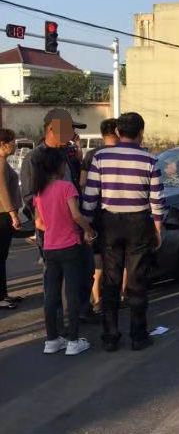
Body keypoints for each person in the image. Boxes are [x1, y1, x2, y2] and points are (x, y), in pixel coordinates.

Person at [81, 112, 164, 352]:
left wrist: (87, 226)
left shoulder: (101, 157)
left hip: (109, 223)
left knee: (110, 279)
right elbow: (157, 199)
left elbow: (91, 195)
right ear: (141, 133)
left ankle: (110, 336)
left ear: (118, 132)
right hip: (138, 222)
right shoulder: (149, 160)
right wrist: (158, 228)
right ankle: (138, 335)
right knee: (137, 279)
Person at [20, 109, 96, 324]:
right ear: (51, 129)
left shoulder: (68, 155)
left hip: (76, 225)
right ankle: (58, 323)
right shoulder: (34, 158)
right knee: (54, 279)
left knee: (85, 270)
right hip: (52, 230)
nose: (72, 135)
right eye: (69, 130)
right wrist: (44, 218)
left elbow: (76, 187)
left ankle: (82, 310)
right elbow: (29, 195)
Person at [33, 147, 95, 355]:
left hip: (49, 247)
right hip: (70, 245)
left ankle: (51, 339)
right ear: (58, 166)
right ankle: (73, 340)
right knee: (72, 292)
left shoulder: (39, 191)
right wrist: (88, 230)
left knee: (51, 295)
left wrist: (53, 226)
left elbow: (39, 223)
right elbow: (77, 215)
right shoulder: (66, 187)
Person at [80, 118, 119, 314]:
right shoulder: (123, 154)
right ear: (118, 131)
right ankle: (120, 294)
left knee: (96, 255)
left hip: (94, 211)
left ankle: (96, 297)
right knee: (114, 254)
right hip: (116, 213)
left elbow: (82, 182)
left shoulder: (92, 155)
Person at [0, 129, 22, 310]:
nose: (15, 145)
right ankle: (1, 297)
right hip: (2, 215)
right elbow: (3, 191)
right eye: (12, 142)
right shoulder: (0, 163)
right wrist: (13, 214)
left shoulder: (3, 162)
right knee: (0, 256)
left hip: (4, 215)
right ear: (3, 144)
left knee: (2, 256)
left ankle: (3, 294)